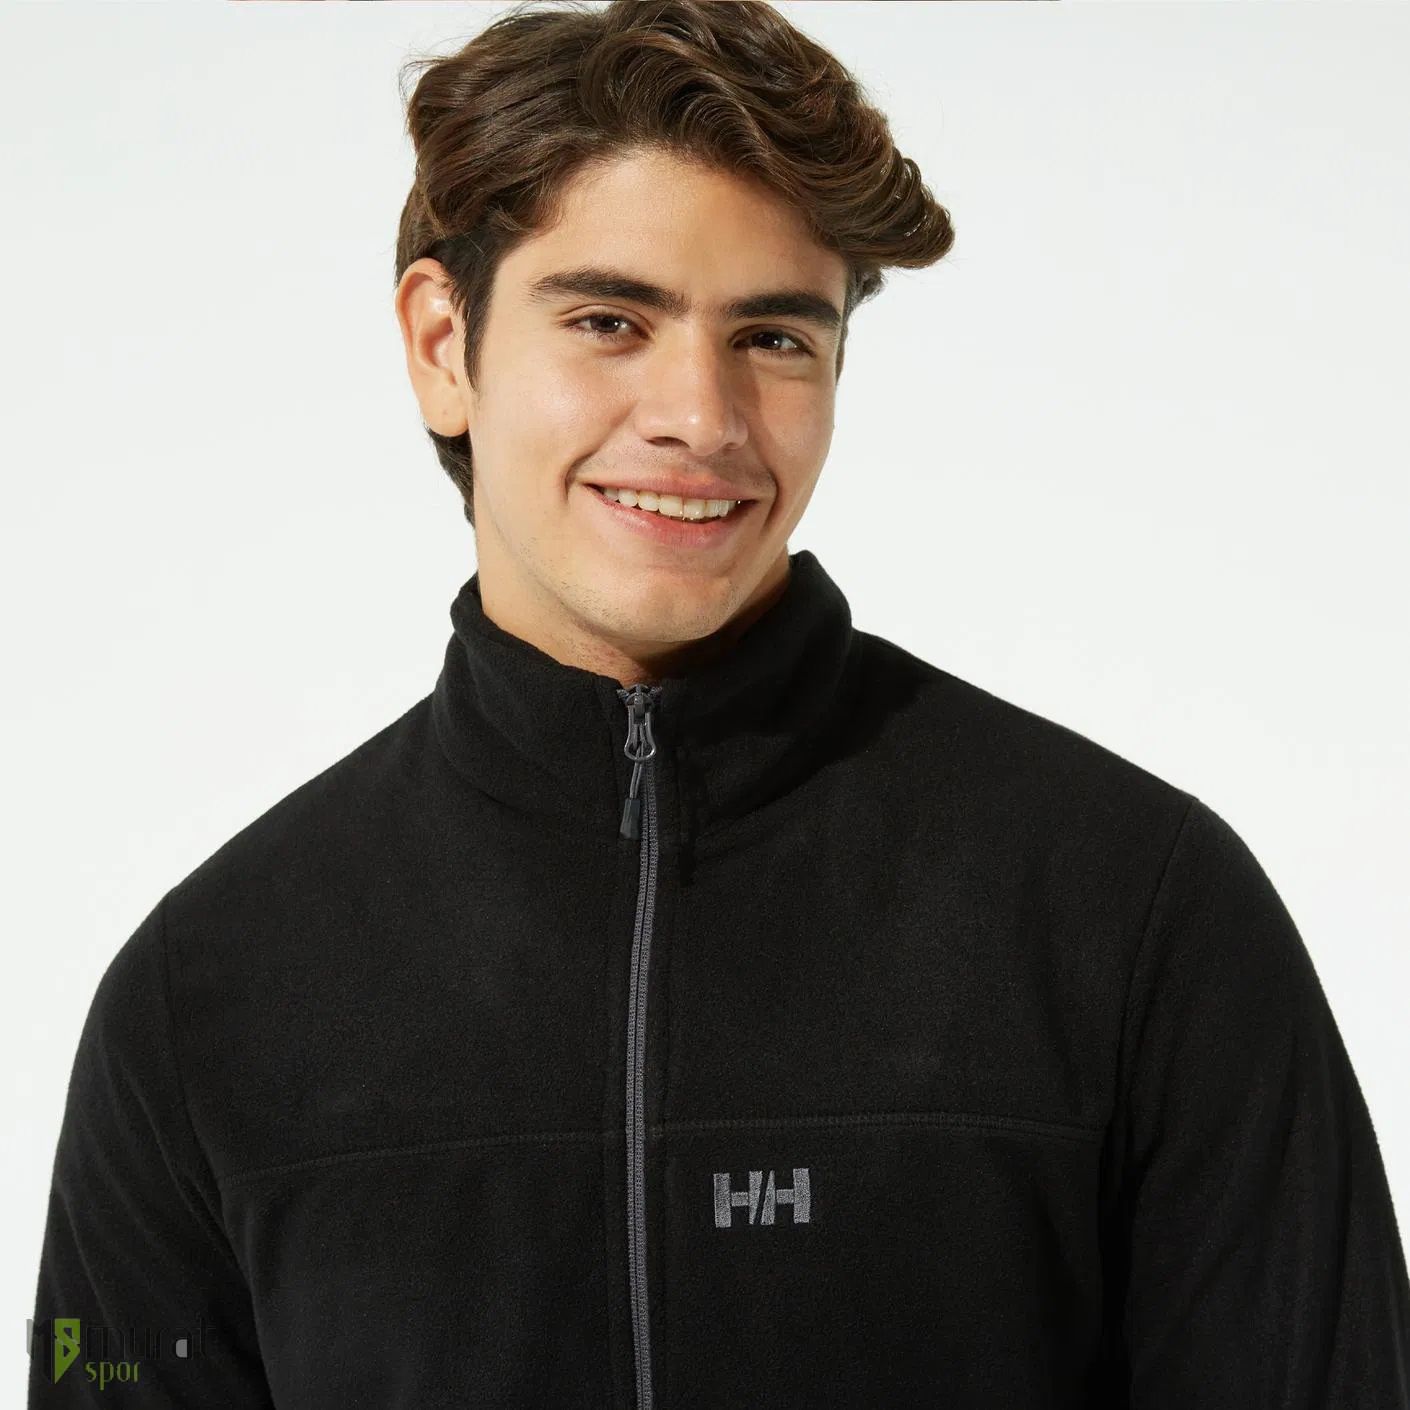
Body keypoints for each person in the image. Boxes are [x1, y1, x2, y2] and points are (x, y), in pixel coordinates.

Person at [27, 1, 1410, 1405]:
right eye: (609, 321)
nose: (699, 415)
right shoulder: (206, 999)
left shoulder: (1135, 916)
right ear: (444, 343)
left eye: (773, 337)